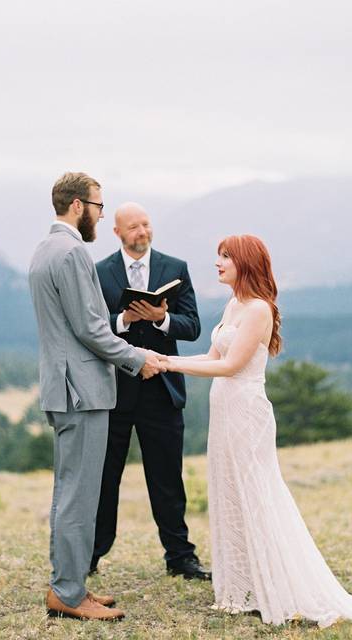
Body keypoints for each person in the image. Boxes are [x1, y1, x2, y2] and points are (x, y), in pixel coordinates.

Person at [163, 234, 352, 628]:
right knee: (229, 492)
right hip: (224, 412)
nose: (217, 263)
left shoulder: (258, 310)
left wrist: (168, 365)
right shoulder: (233, 304)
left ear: (245, 262)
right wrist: (167, 358)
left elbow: (231, 366)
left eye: (226, 256)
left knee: (257, 495)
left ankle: (274, 586)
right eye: (218, 256)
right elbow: (212, 356)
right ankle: (240, 589)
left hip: (247, 413)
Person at [28, 172, 165, 621]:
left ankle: (69, 586)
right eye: (98, 206)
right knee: (79, 496)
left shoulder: (45, 248)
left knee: (70, 491)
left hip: (63, 387)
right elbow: (89, 329)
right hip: (82, 391)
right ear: (77, 206)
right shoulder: (71, 253)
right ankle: (68, 595)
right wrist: (136, 358)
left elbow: (78, 325)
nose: (100, 214)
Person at [91, 202, 210, 580]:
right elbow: (92, 325)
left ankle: (180, 556)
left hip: (161, 389)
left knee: (167, 478)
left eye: (146, 225)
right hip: (114, 392)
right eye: (133, 227)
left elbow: (192, 326)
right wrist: (124, 320)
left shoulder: (175, 268)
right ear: (117, 233)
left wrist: (162, 318)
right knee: (105, 478)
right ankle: (91, 554)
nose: (142, 232)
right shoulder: (99, 272)